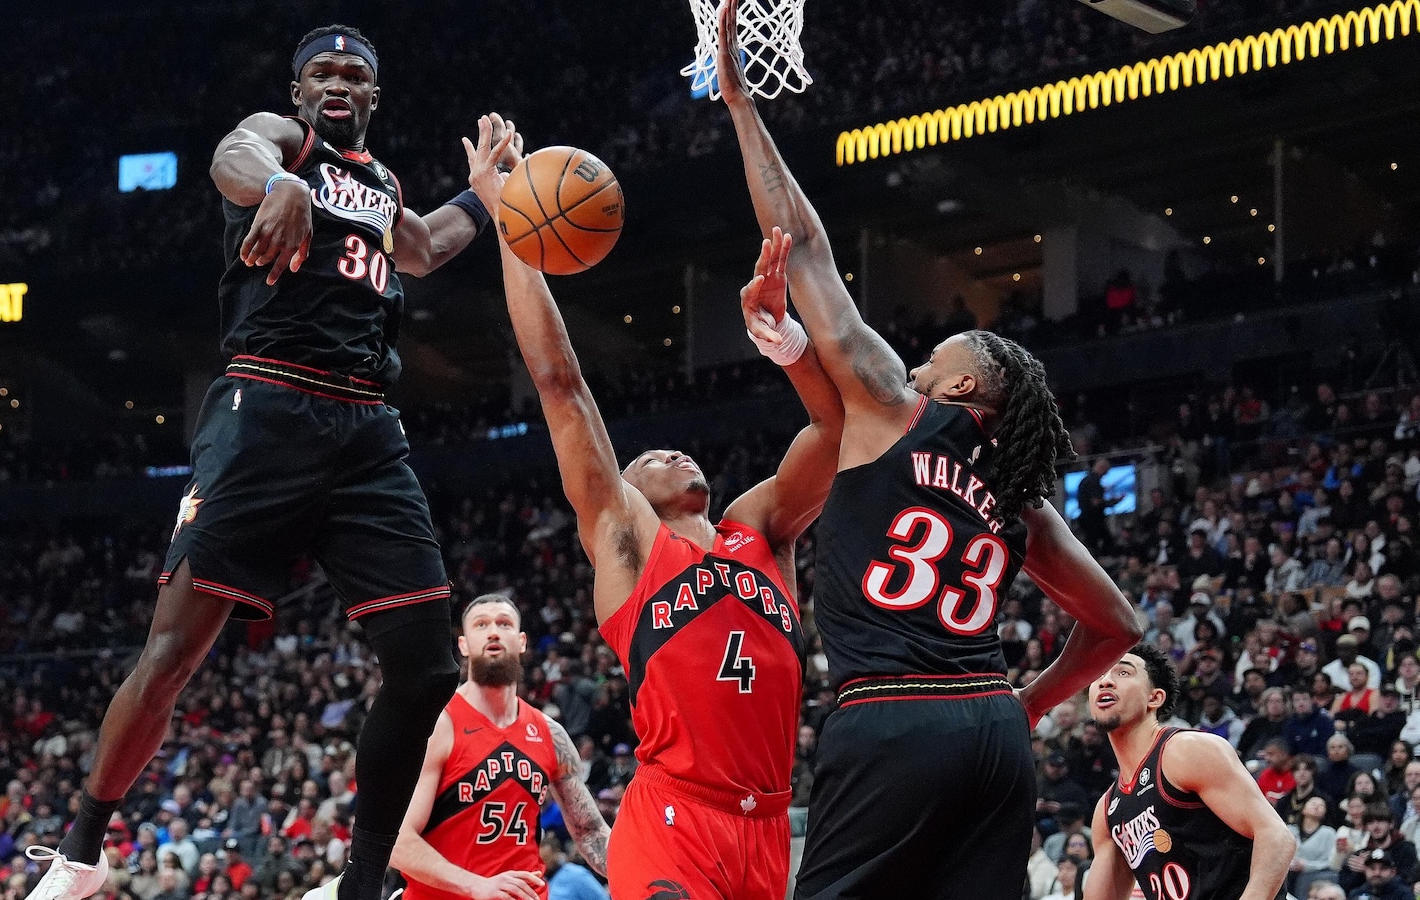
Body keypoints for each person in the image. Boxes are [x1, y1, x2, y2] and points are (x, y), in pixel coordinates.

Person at [24, 25, 511, 900]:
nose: (336, 82)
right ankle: (83, 852)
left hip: (366, 426)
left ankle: (362, 884)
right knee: (172, 654)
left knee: (429, 665)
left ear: (373, 97)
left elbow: (424, 247)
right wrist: (282, 180)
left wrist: (481, 197)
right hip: (265, 407)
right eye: (320, 72)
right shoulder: (284, 140)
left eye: (354, 74)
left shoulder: (380, 181)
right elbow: (232, 153)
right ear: (298, 93)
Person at [714, 2, 1140, 896]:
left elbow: (808, 251)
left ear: (961, 388)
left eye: (933, 357)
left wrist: (745, 111)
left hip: (891, 719)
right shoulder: (1019, 494)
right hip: (989, 729)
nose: (916, 358)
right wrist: (1026, 703)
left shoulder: (898, 409)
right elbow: (1117, 627)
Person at [467, 107, 843, 899]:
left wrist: (786, 342)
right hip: (675, 820)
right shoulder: (630, 542)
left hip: (770, 825)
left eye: (677, 450)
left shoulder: (761, 530)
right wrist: (509, 220)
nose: (671, 451)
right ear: (624, 489)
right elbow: (561, 385)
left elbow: (836, 427)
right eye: (646, 457)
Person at [391, 594, 610, 900]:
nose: (493, 631)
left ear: (521, 641)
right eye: (481, 624)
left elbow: (590, 832)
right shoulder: (438, 725)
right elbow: (396, 841)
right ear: (464, 645)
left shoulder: (550, 733)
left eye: (503, 623)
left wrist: (648, 872)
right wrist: (477, 885)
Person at [1085, 644, 1295, 900]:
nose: (1105, 681)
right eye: (1099, 675)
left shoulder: (1185, 751)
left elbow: (1276, 836)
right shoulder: (1107, 810)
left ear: (1155, 698)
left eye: (1123, 673)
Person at [538, 836, 609, 900]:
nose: (544, 865)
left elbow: (601, 898)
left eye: (547, 859)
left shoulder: (576, 874)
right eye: (541, 861)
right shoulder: (540, 881)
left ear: (557, 853)